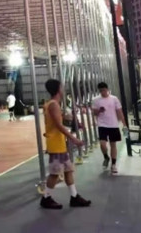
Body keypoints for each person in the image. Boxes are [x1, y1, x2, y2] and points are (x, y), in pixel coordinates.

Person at [40, 79, 91, 210]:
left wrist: (66, 117)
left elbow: (55, 123)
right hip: (56, 144)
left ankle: (74, 197)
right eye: (61, 87)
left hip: (59, 143)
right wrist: (74, 139)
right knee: (55, 173)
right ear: (58, 89)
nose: (63, 89)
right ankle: (46, 198)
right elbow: (59, 125)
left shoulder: (51, 104)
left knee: (68, 170)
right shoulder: (54, 105)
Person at [92, 82, 127, 174]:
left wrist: (124, 124)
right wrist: (99, 111)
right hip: (102, 125)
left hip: (113, 124)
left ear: (107, 89)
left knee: (113, 145)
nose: (102, 92)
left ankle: (113, 164)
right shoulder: (96, 100)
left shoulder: (114, 99)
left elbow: (119, 112)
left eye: (104, 90)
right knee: (102, 144)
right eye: (100, 91)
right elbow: (94, 113)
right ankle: (106, 157)